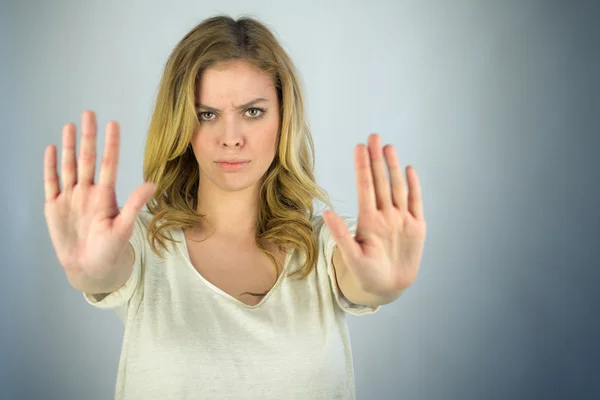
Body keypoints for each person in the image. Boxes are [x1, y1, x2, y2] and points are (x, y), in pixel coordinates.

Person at [43, 14, 427, 400]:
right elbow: (106, 272)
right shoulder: (145, 243)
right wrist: (90, 273)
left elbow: (359, 279)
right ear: (181, 124)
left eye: (252, 112)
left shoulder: (324, 245)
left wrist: (378, 286)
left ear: (283, 117)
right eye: (207, 115)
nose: (231, 138)